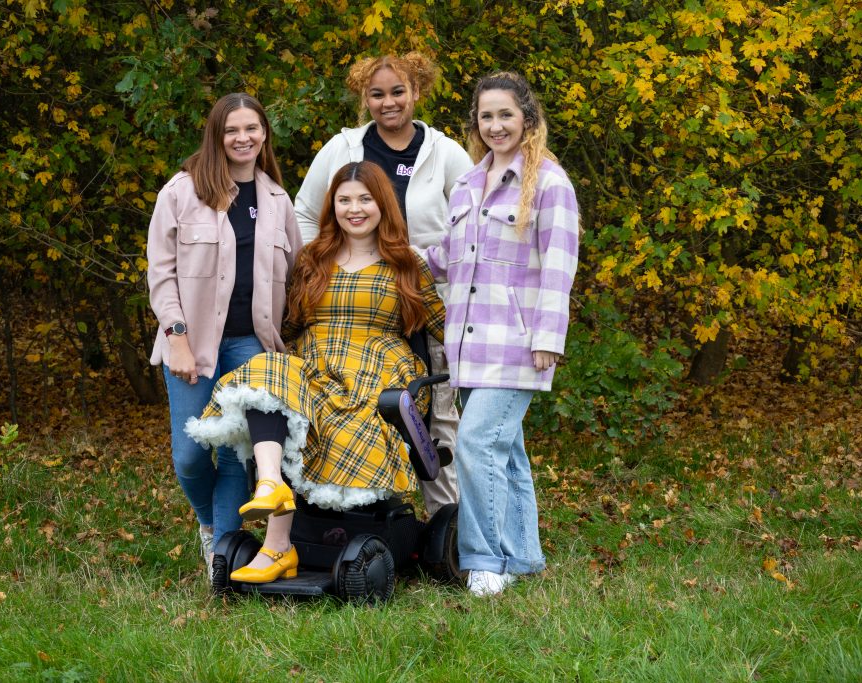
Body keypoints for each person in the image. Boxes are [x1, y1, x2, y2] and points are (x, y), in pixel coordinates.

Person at [185, 161, 446, 583]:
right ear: (332, 206)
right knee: (270, 375)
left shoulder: (406, 264)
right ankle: (272, 491)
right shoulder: (313, 258)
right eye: (345, 200)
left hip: (376, 371)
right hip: (315, 364)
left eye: (365, 199)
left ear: (383, 205)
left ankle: (280, 545)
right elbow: (287, 326)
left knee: (343, 421)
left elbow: (444, 325)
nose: (354, 209)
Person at [294, 51, 473, 516]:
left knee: (436, 421)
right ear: (364, 98)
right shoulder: (343, 150)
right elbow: (305, 212)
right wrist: (331, 262)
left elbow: (473, 225)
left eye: (398, 91)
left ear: (417, 92)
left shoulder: (445, 153)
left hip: (423, 294)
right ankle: (341, 517)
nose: (388, 102)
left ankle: (447, 526)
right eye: (377, 94)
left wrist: (427, 266)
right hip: (353, 300)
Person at [425, 72, 580, 596]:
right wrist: (394, 259)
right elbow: (448, 257)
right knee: (504, 451)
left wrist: (548, 338)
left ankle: (485, 561)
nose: (496, 125)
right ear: (476, 122)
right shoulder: (468, 185)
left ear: (527, 118)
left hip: (517, 343)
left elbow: (559, 265)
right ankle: (523, 558)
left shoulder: (549, 183)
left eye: (505, 115)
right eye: (486, 116)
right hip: (468, 344)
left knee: (475, 443)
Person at [146, 93, 302, 580]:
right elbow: (160, 274)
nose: (243, 138)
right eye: (232, 130)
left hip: (253, 346)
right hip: (192, 345)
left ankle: (223, 556)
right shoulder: (181, 192)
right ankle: (209, 522)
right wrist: (176, 337)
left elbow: (298, 273)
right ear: (216, 135)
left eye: (251, 128)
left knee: (238, 454)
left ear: (264, 133)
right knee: (190, 455)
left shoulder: (276, 200)